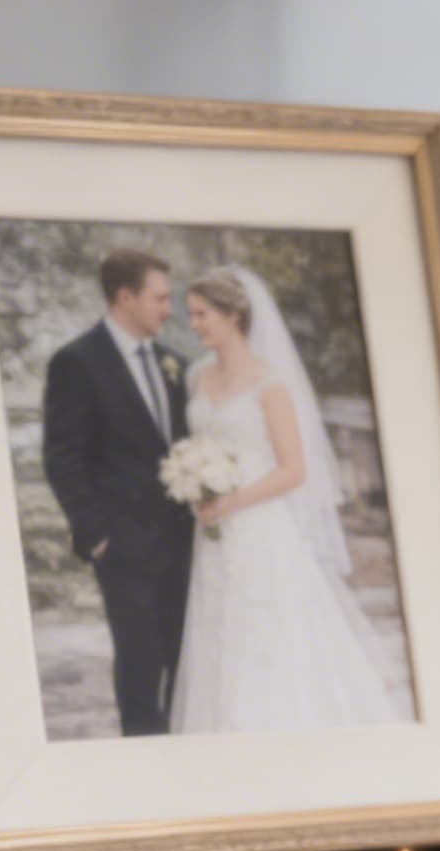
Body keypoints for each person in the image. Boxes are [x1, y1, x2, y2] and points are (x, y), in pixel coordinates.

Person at [166, 267, 400, 734]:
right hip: (211, 532)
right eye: (191, 315)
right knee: (218, 628)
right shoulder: (196, 376)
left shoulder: (270, 384)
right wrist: (193, 482)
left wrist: (231, 501)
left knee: (266, 631)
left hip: (258, 527)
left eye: (202, 314)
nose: (194, 325)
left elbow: (294, 470)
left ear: (233, 315)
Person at [40, 247, 194, 736]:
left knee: (188, 658)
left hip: (188, 542)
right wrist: (97, 535)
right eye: (160, 298)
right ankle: (146, 764)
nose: (169, 310)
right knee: (140, 662)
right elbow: (63, 457)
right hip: (124, 547)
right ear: (125, 297)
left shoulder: (175, 363)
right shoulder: (78, 362)